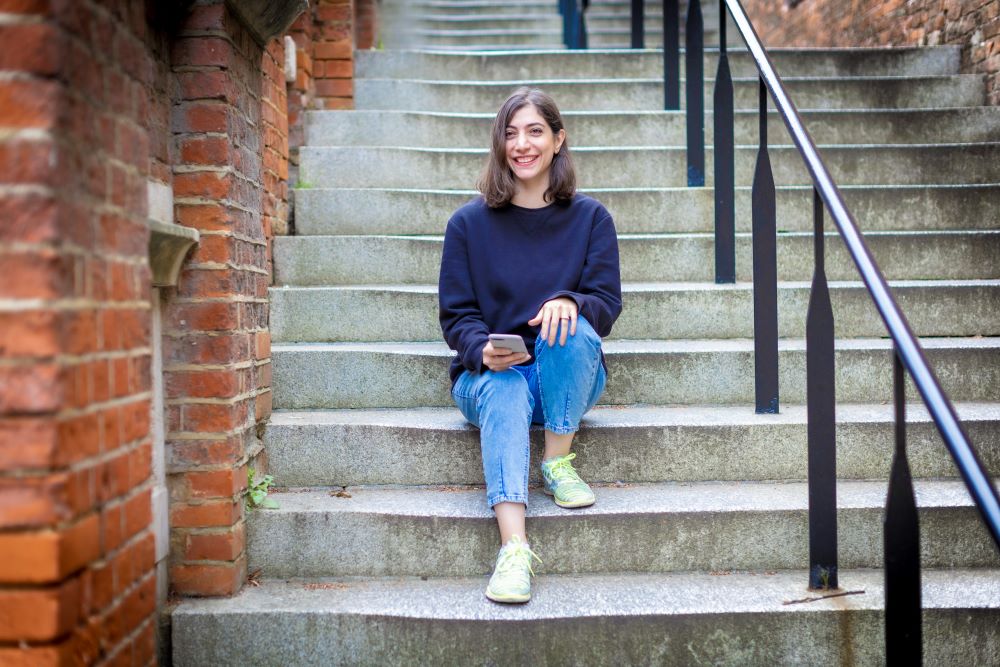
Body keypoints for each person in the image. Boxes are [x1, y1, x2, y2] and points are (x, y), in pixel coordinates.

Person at [438, 87, 622, 603]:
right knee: (503, 387)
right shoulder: (468, 225)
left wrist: (570, 301)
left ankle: (557, 461)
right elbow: (456, 316)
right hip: (491, 381)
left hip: (566, 375)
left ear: (558, 140)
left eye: (535, 131)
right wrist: (481, 351)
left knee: (570, 323)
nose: (522, 144)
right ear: (499, 145)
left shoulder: (591, 219)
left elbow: (607, 302)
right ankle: (514, 549)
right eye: (511, 133)